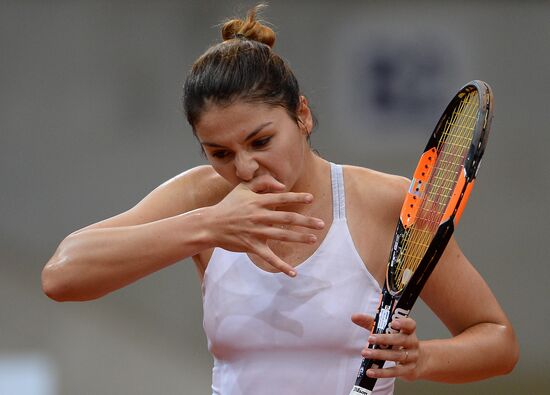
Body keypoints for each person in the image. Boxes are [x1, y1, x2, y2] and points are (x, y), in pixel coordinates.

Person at [42, 5, 519, 395]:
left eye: (261, 142)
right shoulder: (203, 196)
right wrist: (209, 226)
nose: (244, 169)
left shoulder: (384, 202)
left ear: (303, 116)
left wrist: (424, 358)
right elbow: (62, 276)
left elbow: (498, 341)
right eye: (220, 153)